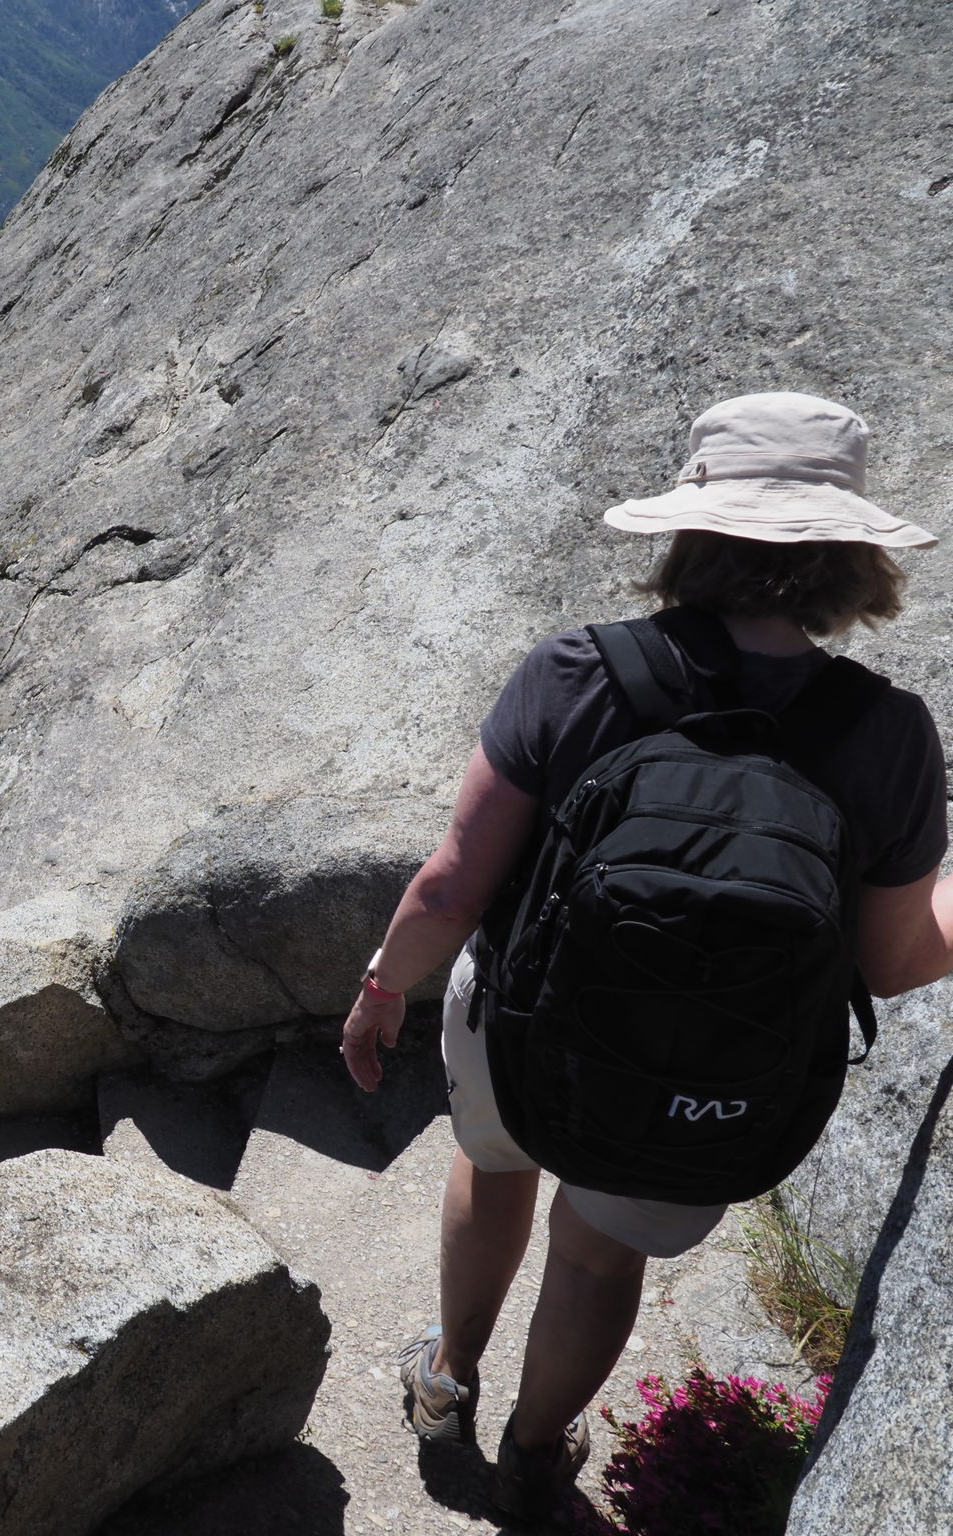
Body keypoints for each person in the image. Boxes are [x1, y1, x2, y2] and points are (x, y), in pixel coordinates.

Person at [338, 391, 950, 1523]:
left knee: (494, 1161)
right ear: (850, 557)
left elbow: (450, 884)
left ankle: (446, 1380)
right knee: (597, 1258)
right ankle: (530, 1451)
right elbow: (897, 960)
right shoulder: (885, 734)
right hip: (714, 1071)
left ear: (690, 531)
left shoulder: (580, 670)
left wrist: (380, 990)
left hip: (522, 1019)